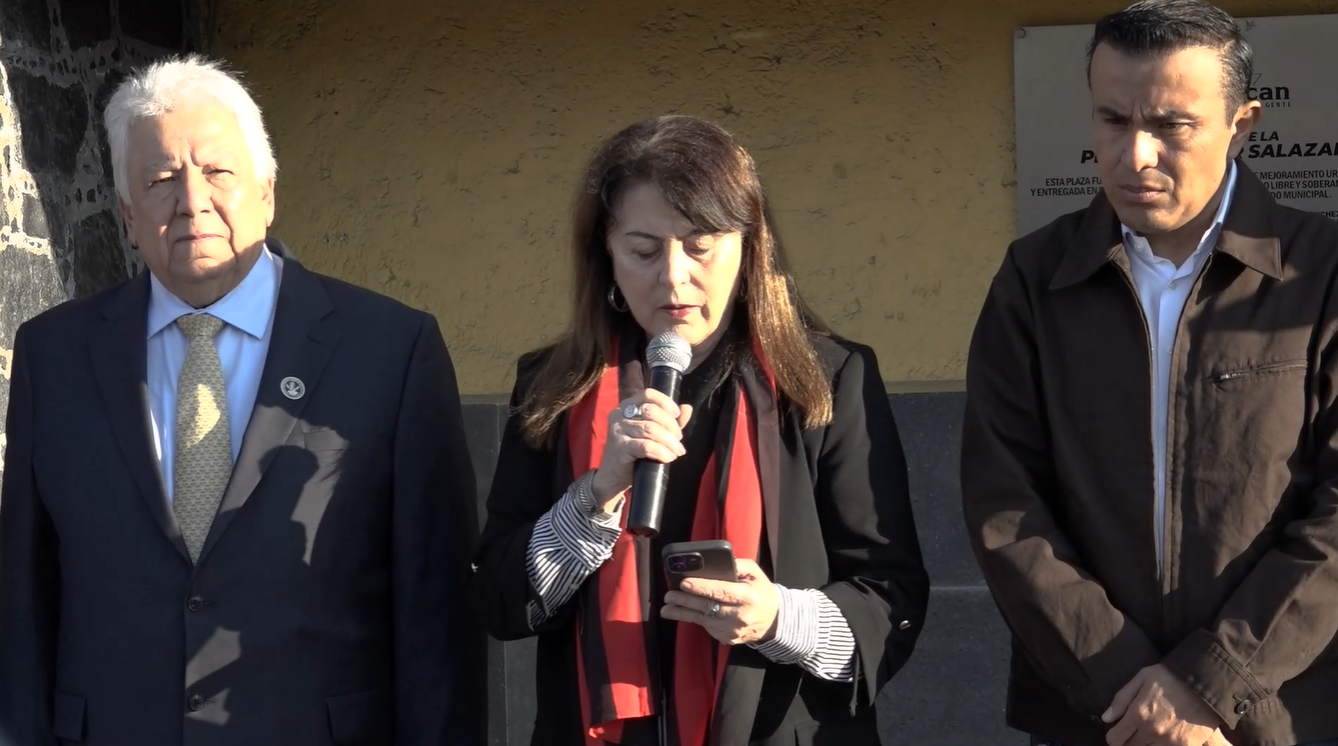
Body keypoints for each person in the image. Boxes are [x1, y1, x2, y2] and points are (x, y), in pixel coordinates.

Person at [0, 55, 484, 746]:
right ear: (127, 215)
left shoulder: (390, 350)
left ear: (267, 192)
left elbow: (437, 614)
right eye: (160, 180)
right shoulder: (54, 356)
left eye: (217, 172)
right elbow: (25, 597)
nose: (191, 201)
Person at [469, 114, 928, 745]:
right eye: (643, 250)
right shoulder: (553, 385)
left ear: (749, 247)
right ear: (606, 254)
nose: (673, 276)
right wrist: (594, 498)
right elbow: (498, 601)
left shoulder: (829, 379)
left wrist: (778, 618)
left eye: (700, 245)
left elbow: (890, 600)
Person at [962, 1, 1338, 745]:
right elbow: (1004, 502)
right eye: (1112, 120)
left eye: (1171, 125)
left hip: (1275, 716)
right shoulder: (1035, 278)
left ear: (1242, 125)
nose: (1135, 155)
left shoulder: (1321, 274)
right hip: (1096, 715)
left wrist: (1211, 683)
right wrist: (1128, 689)